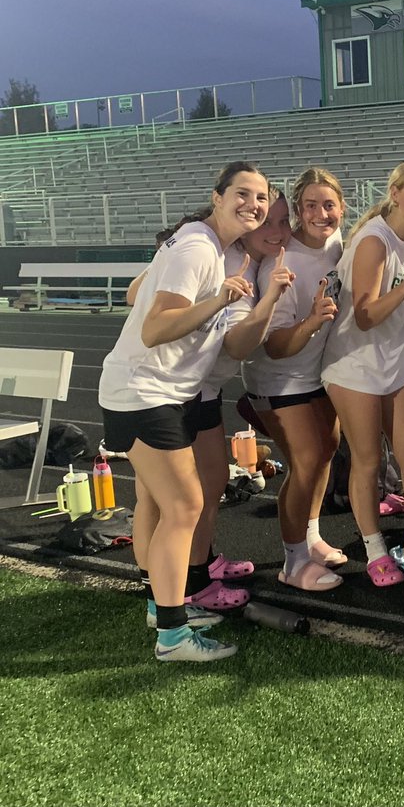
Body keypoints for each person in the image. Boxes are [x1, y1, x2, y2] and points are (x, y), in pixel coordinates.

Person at [99, 161, 280, 661]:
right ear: (217, 197)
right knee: (185, 507)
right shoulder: (201, 246)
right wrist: (218, 299)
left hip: (156, 393)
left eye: (261, 198)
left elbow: (139, 295)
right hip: (144, 392)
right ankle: (173, 636)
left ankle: (166, 609)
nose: (254, 205)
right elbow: (155, 327)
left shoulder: (207, 247)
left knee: (167, 507)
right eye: (242, 194)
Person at [127, 197, 293, 616]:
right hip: (172, 388)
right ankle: (183, 584)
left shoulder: (243, 256)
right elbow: (136, 295)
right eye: (264, 221)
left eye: (281, 221)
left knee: (191, 487)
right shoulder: (214, 252)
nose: (275, 230)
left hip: (196, 387)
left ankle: (176, 576)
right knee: (181, 492)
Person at [321, 161, 404, 587]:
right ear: (394, 193)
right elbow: (366, 316)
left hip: (393, 359)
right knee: (367, 461)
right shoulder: (375, 241)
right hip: (354, 363)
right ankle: (373, 550)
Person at [245, 167, 348, 592]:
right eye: (310, 206)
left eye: (329, 205)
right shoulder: (280, 265)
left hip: (316, 375)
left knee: (326, 451)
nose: (320, 214)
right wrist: (312, 320)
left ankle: (310, 535)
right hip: (278, 381)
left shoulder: (338, 246)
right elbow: (274, 346)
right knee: (304, 463)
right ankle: (293, 562)